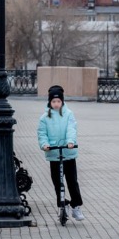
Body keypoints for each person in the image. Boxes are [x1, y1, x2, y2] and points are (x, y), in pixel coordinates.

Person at [37, 85, 84, 221]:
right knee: (58, 182)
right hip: (54, 154)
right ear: (49, 102)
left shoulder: (69, 114)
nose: (56, 104)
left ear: (62, 101)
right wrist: (44, 145)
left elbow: (71, 128)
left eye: (58, 101)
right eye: (53, 102)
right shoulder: (44, 117)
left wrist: (70, 141)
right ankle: (62, 205)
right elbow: (42, 133)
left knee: (72, 181)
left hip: (68, 153)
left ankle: (75, 205)